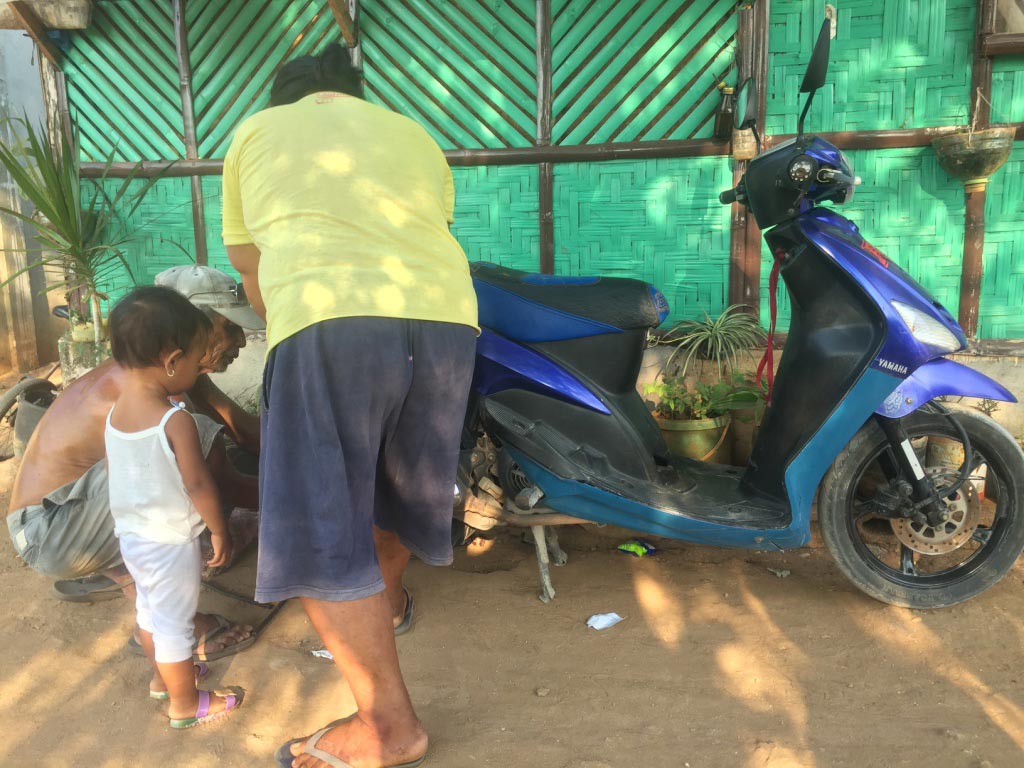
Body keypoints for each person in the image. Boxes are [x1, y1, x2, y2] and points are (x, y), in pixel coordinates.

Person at [223, 43, 477, 767]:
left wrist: (292, 343)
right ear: (356, 94)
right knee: (397, 496)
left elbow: (253, 268)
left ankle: (389, 729)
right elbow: (427, 228)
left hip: (330, 320)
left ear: (285, 97)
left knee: (316, 526)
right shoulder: (411, 133)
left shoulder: (255, 132)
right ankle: (386, 606)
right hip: (446, 321)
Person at [7, 265, 263, 659]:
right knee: (185, 453)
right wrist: (298, 499)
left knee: (193, 454)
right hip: (48, 532)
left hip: (67, 514)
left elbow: (240, 428)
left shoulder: (164, 374)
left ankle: (124, 567)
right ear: (189, 332)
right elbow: (211, 481)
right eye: (230, 327)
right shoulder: (140, 398)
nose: (242, 341)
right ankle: (174, 623)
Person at [104, 286, 241, 727]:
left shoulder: (116, 412)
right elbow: (198, 484)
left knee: (149, 611)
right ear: (171, 361)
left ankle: (164, 680)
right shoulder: (174, 420)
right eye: (197, 360)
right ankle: (186, 704)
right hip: (168, 544)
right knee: (174, 624)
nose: (201, 368)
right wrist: (219, 529)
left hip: (133, 538)